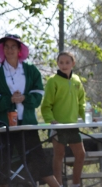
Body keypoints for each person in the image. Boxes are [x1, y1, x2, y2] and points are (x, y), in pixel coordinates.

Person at [0, 34, 60, 187]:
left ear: (19, 49)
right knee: (3, 163)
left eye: (13, 46)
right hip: (3, 126)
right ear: (2, 49)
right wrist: (9, 100)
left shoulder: (30, 69)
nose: (10, 50)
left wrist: (25, 98)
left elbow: (39, 93)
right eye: (6, 47)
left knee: (38, 158)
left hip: (27, 124)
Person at [41, 52, 86, 187]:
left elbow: (82, 103)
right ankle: (58, 185)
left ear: (73, 63)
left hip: (73, 126)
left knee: (81, 154)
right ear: (57, 64)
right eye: (61, 62)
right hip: (58, 127)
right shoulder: (52, 81)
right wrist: (51, 120)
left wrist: (88, 117)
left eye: (67, 62)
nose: (64, 65)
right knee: (59, 155)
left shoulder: (77, 80)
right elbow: (46, 105)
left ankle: (76, 184)